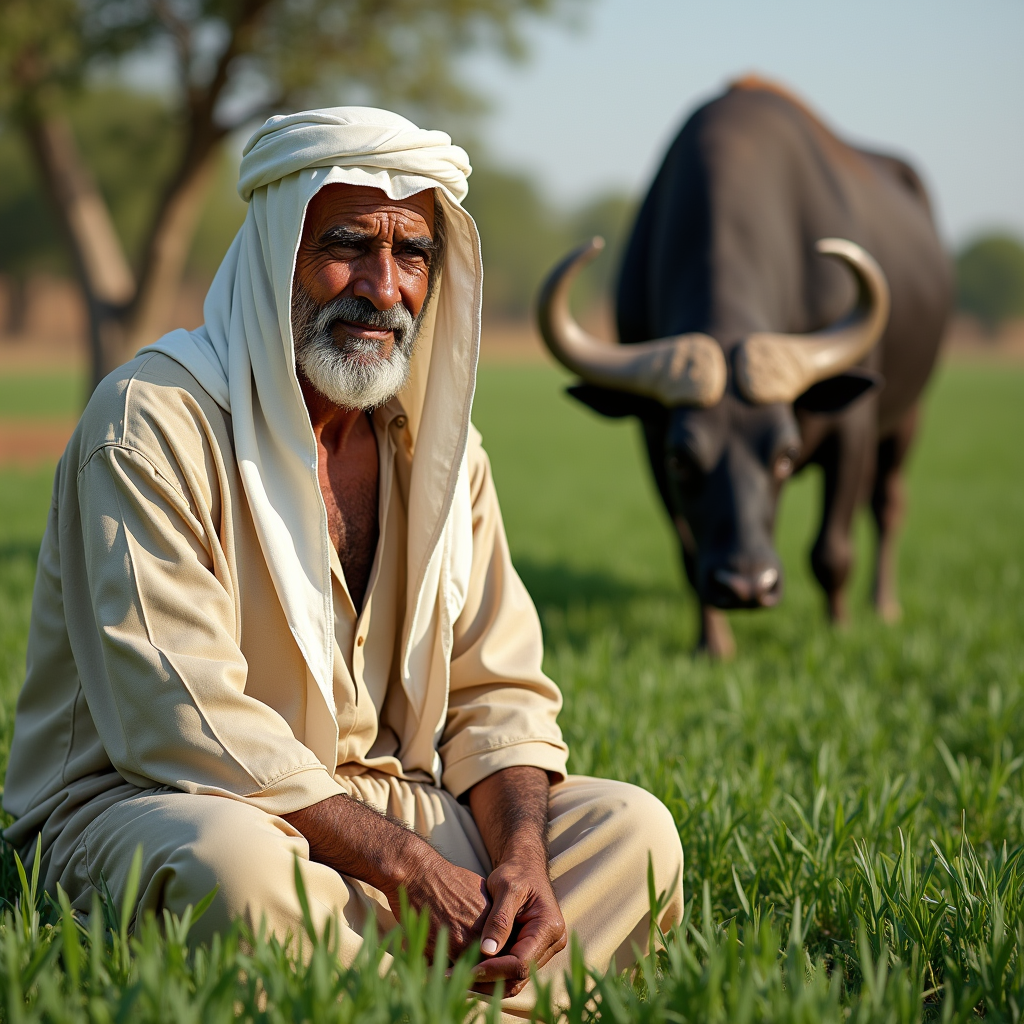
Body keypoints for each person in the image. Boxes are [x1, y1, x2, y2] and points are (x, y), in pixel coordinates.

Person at [3, 107, 683, 1013]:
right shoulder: (150, 423)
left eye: (413, 256)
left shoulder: (439, 453)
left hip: (380, 809)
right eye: (349, 245)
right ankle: (477, 1001)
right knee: (236, 869)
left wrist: (520, 859)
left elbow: (498, 696)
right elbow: (181, 719)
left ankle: (394, 996)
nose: (384, 287)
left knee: (634, 831)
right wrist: (407, 868)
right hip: (161, 806)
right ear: (276, 252)